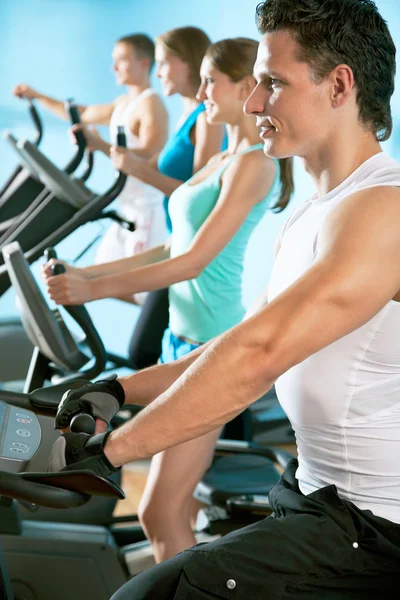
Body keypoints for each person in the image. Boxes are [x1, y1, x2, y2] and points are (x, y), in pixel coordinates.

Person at [48, 0, 400, 597]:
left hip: (372, 528)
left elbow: (258, 357)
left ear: (340, 85)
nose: (254, 102)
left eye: (274, 83)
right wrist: (119, 389)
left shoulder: (382, 209)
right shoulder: (315, 214)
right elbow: (237, 341)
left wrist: (113, 451)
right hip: (311, 494)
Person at [44, 36, 294, 564]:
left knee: (160, 512)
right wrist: (86, 271)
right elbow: (169, 245)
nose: (200, 90)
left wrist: (91, 289)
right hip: (179, 339)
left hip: (209, 348)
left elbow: (192, 262)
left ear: (246, 86)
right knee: (158, 511)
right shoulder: (220, 157)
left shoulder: (253, 165)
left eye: (210, 81)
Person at [13, 33, 169, 303]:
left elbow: (150, 158)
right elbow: (80, 114)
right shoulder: (123, 104)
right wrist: (37, 96)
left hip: (146, 211)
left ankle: (157, 328)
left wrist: (101, 144)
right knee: (96, 274)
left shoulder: (151, 103)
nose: (114, 68)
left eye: (121, 60)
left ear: (144, 62)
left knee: (146, 295)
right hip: (125, 208)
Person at [110, 26, 226, 368]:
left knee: (143, 351)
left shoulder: (207, 118)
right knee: (153, 352)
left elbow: (200, 198)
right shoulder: (188, 116)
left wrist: (139, 169)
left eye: (163, 63)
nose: (157, 72)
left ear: (185, 62)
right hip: (177, 240)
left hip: (190, 248)